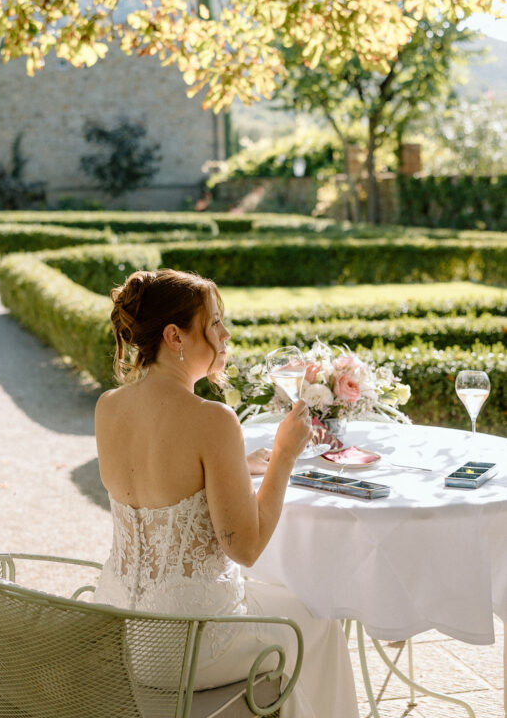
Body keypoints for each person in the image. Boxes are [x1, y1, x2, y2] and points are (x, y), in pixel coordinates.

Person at [94, 268, 359, 717]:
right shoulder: (213, 419)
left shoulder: (108, 406)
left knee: (290, 608)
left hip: (119, 627)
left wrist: (236, 464)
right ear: (175, 336)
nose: (225, 334)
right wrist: (284, 454)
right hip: (190, 643)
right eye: (215, 322)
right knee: (320, 619)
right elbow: (246, 548)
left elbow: (166, 476)